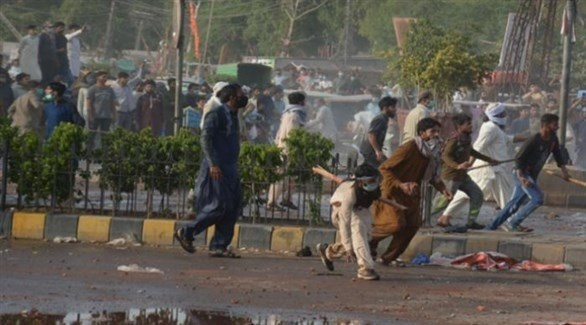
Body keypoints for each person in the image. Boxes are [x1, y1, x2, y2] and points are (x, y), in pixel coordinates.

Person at [175, 84, 247, 257]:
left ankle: (219, 245)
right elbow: (205, 139)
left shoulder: (234, 115)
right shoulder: (216, 114)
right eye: (240, 94)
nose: (243, 97)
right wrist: (213, 163)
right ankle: (187, 232)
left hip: (230, 166)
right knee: (219, 206)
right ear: (231, 97)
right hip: (217, 167)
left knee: (233, 207)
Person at [369, 118, 452, 266]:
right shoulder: (409, 148)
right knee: (395, 224)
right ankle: (368, 241)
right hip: (392, 192)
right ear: (422, 133)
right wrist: (400, 185)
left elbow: (432, 176)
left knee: (413, 225)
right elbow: (384, 168)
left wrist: (443, 189)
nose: (436, 135)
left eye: (438, 131)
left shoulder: (431, 154)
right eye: (433, 131)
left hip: (411, 194)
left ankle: (388, 257)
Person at [439, 103, 527, 226]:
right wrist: (469, 163)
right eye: (502, 114)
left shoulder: (495, 128)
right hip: (487, 171)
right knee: (499, 196)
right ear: (496, 115)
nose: (505, 116)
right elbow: (478, 147)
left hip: (495, 169)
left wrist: (530, 137)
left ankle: (445, 216)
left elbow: (508, 139)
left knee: (472, 195)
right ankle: (513, 222)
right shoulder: (489, 128)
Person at [486, 114, 570, 232]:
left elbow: (558, 156)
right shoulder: (534, 139)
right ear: (545, 125)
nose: (557, 127)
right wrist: (521, 177)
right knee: (537, 199)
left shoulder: (553, 139)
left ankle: (491, 227)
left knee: (514, 204)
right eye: (554, 124)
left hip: (531, 175)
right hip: (522, 173)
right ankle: (513, 223)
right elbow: (519, 158)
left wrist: (565, 172)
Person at [316, 164, 382, 281]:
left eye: (375, 180)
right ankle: (365, 268)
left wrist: (349, 247)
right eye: (371, 180)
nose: (374, 182)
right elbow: (344, 221)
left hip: (360, 210)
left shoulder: (372, 189)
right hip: (341, 210)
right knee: (358, 229)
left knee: (363, 239)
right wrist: (347, 247)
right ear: (361, 182)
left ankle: (328, 253)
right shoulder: (350, 194)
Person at [433, 113, 498, 229]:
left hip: (462, 176)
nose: (471, 126)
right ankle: (422, 219)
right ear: (459, 126)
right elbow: (445, 156)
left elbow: (472, 152)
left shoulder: (466, 138)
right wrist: (457, 166)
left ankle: (471, 222)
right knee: (442, 202)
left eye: (470, 123)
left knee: (477, 195)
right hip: (451, 177)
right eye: (468, 124)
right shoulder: (454, 139)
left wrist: (489, 160)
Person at [267, 92, 308, 211]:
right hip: (288, 150)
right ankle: (271, 202)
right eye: (304, 101)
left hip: (287, 149)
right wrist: (294, 150)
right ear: (301, 102)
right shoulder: (293, 115)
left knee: (292, 176)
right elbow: (291, 135)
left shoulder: (291, 113)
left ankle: (287, 199)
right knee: (281, 177)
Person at [359, 96, 397, 168]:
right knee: (380, 171)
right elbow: (371, 135)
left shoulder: (384, 119)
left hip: (372, 151)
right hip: (370, 152)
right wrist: (377, 151)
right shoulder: (380, 119)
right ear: (385, 108)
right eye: (393, 107)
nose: (395, 110)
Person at [87, 71, 116, 148]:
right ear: (97, 77)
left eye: (106, 77)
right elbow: (89, 104)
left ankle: (104, 156)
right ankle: (89, 155)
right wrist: (91, 116)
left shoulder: (110, 90)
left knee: (105, 138)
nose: (105, 79)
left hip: (106, 117)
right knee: (91, 137)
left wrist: (114, 115)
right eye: (103, 77)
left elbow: (112, 103)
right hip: (95, 117)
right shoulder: (92, 89)